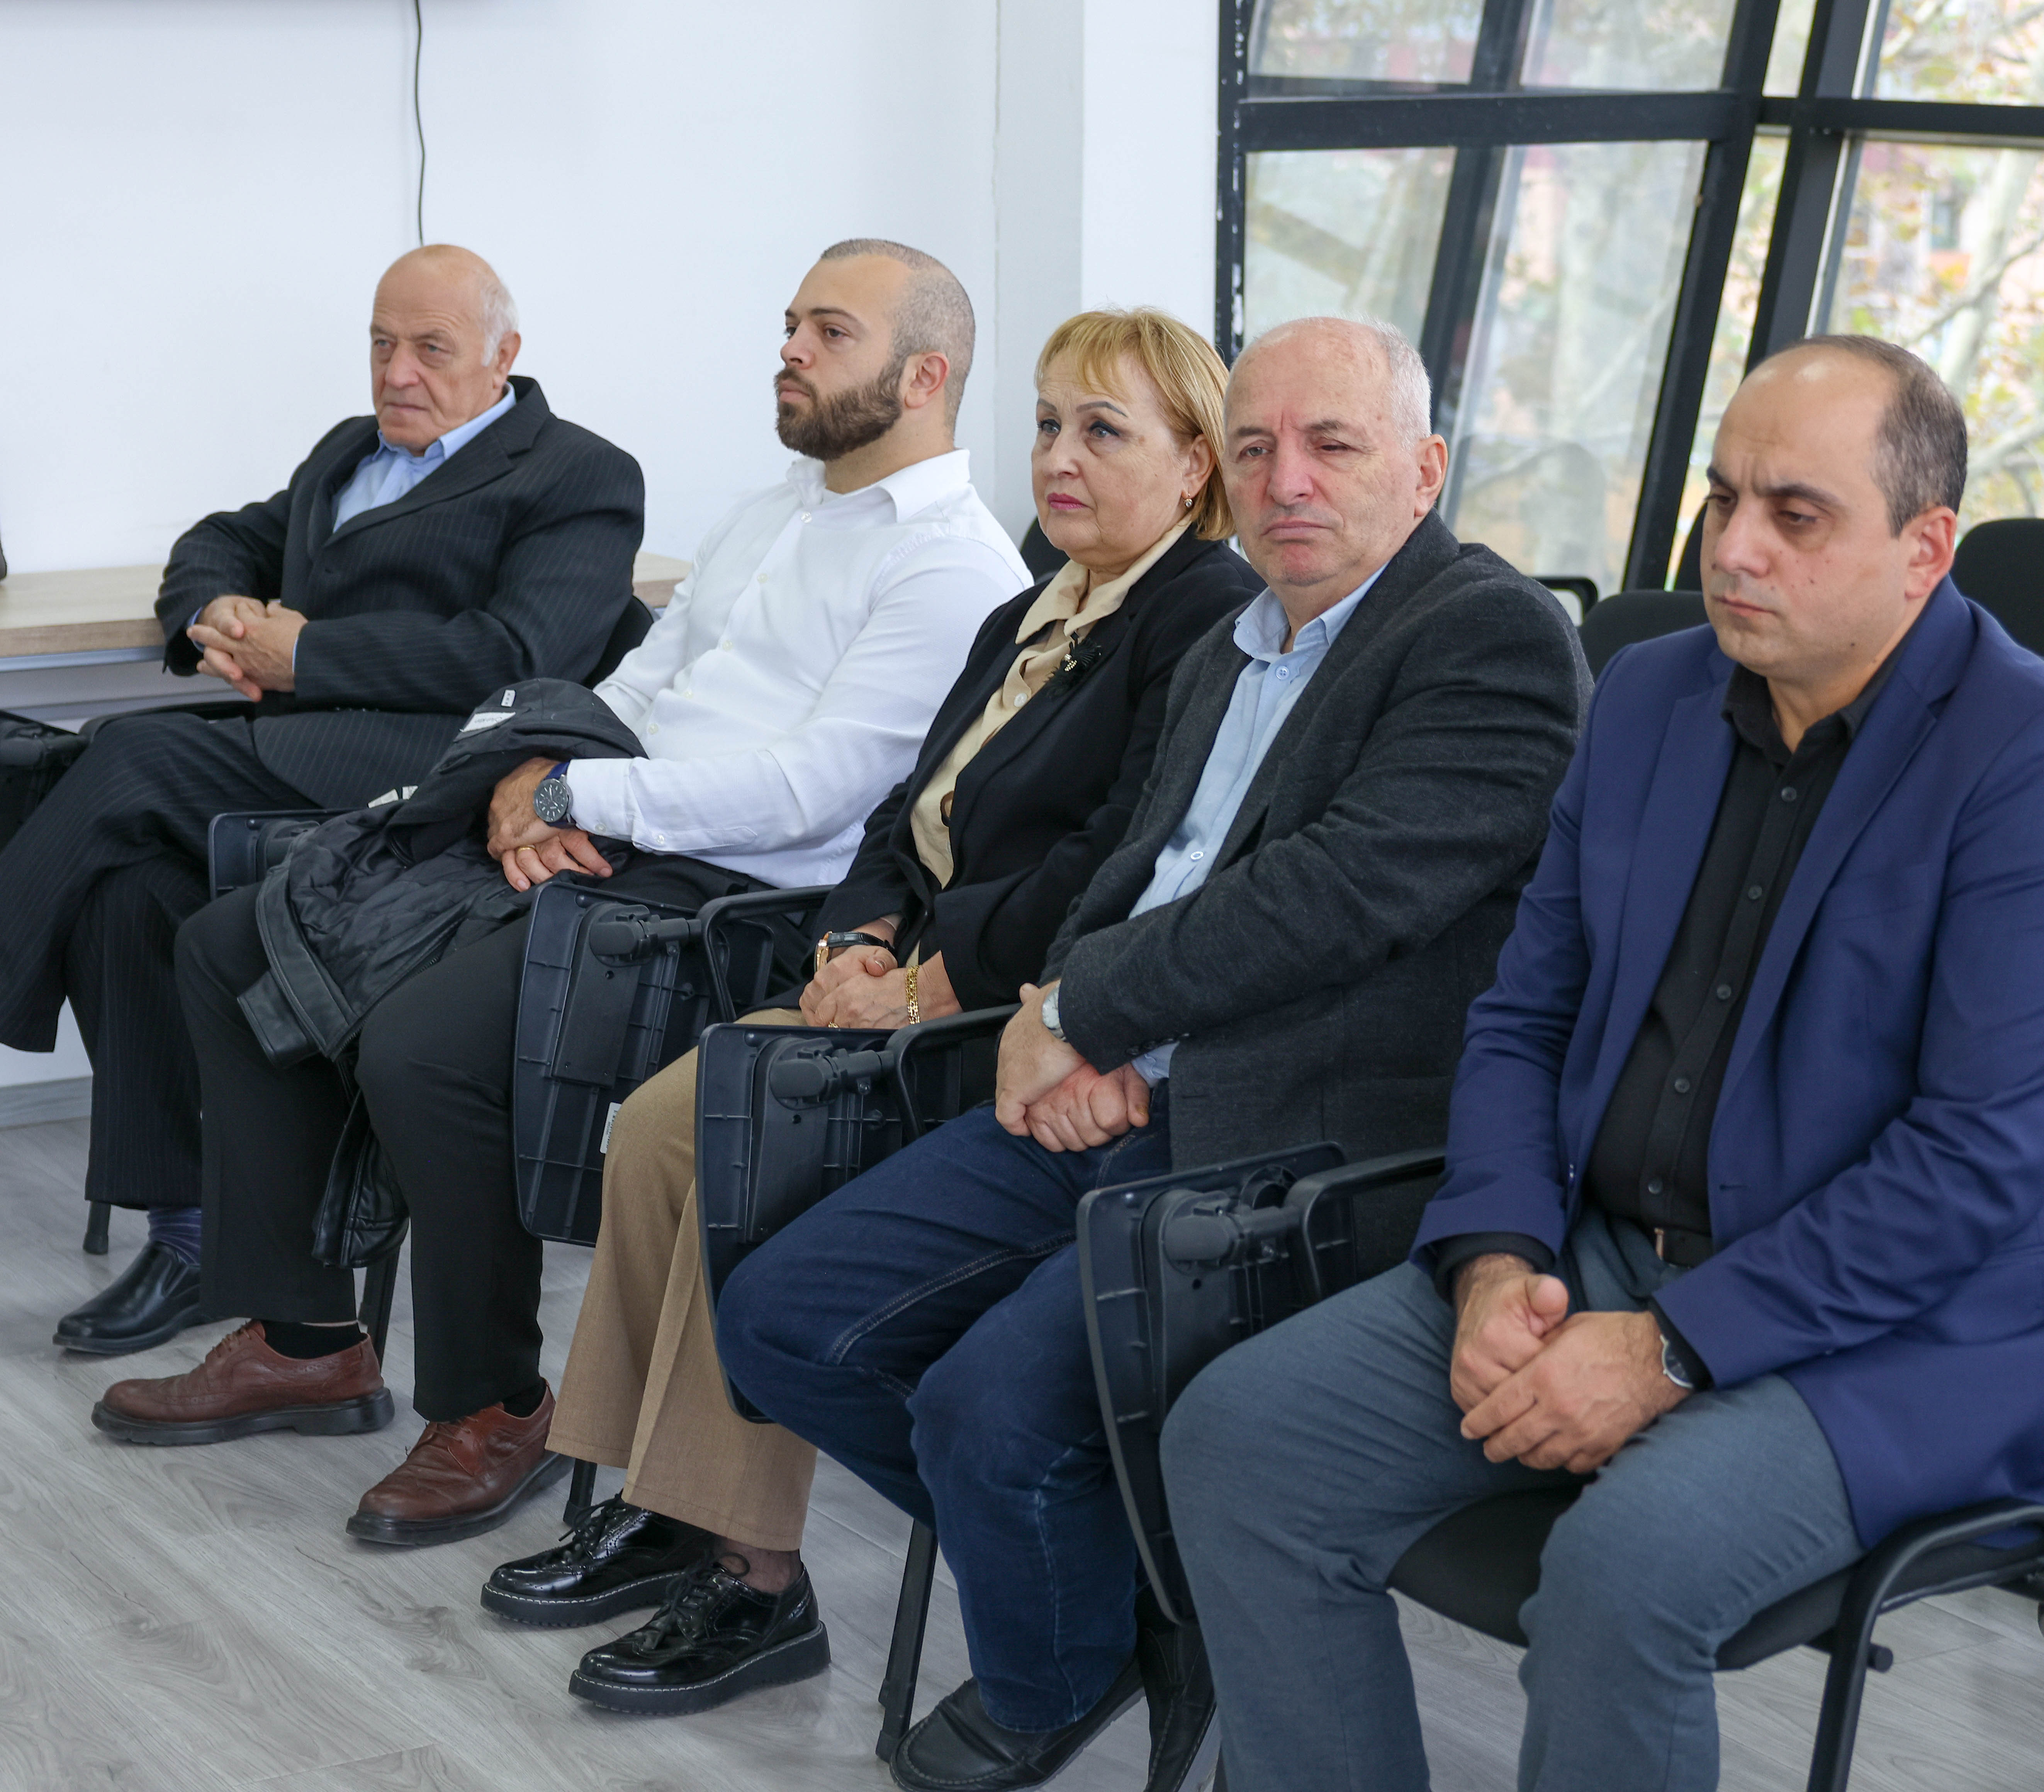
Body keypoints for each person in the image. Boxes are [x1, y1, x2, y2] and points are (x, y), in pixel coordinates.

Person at [1158, 337, 2044, 1792]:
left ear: (1925, 549)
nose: (1734, 548)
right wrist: (1496, 1260)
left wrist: (1670, 1349)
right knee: (1240, 1441)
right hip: (1601, 1254)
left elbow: (1979, 1169)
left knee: (1624, 1574)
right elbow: (1524, 1017)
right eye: (1722, 500)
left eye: (1796, 514)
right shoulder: (1648, 697)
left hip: (1914, 1338)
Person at [710, 316, 1589, 1792]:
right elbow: (1127, 867)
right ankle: (1127, 1607)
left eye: (1332, 446)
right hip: (1115, 1088)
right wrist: (1073, 1013)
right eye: (1255, 448)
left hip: (1300, 1134)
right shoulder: (1235, 642)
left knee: (986, 1412)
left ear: (1426, 468)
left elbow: (1337, 894)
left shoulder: (1487, 638)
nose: (1285, 481)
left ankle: (1051, 1671)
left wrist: (1083, 1015)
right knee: (784, 1320)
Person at [87, 239, 1027, 1551]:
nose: (790, 349)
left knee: (421, 1048)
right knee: (232, 939)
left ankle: (493, 1404)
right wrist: (536, 766)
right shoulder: (774, 512)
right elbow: (635, 687)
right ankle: (304, 1338)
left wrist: (587, 797)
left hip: (727, 901)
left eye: (830, 332)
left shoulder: (953, 567)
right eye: (791, 323)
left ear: (924, 377)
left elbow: (816, 794)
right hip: (608, 824)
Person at [476, 307, 1263, 1719]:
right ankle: (665, 1500)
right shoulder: (1038, 603)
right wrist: (858, 935)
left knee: (730, 1122)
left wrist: (925, 981)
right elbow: (910, 811)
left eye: (1104, 431)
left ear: (1197, 466)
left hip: (1009, 1017)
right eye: (1048, 424)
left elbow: (1112, 857)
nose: (1058, 458)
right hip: (905, 983)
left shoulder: (1199, 614)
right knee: (661, 1125)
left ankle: (756, 1575)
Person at [10, 245, 645, 1358]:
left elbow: (521, 653)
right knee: (127, 888)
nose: (398, 372)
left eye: (432, 348)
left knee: (124, 759)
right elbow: (224, 538)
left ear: (504, 354)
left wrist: (308, 655)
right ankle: (189, 1236)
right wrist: (214, 610)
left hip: (425, 776)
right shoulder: (350, 450)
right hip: (297, 750)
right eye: (382, 343)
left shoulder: (578, 475)